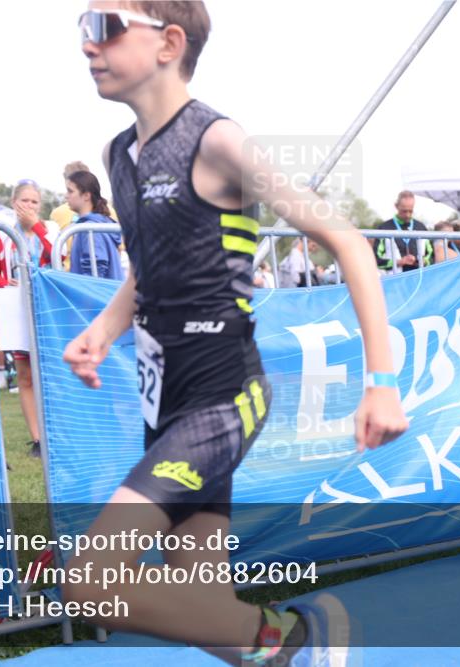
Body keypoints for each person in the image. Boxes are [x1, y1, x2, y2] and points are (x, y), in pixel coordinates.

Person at [61, 3, 408, 665]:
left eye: (102, 26)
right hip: (162, 401)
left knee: (91, 580)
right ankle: (282, 648)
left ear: (168, 43)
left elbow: (347, 242)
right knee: (210, 613)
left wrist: (382, 383)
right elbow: (149, 264)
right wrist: (103, 330)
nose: (86, 46)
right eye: (81, 28)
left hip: (223, 397)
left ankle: (302, 632)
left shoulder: (217, 140)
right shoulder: (118, 155)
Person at [0, 180, 60, 458]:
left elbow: (58, 256)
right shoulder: (3, 234)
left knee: (51, 375)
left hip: (46, 311)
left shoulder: (50, 230)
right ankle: (37, 439)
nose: (29, 207)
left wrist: (38, 226)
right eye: (24, 201)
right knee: (26, 376)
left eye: (34, 202)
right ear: (13, 202)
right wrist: (6, 281)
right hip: (17, 311)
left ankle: (57, 434)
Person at [66, 169, 125, 279]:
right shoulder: (94, 225)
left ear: (86, 195)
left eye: (70, 191)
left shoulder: (91, 230)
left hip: (99, 295)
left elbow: (95, 276)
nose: (66, 196)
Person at [373, 191, 434, 272]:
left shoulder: (421, 227)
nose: (408, 215)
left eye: (410, 211)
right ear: (396, 206)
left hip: (418, 279)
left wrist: (424, 261)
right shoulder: (384, 228)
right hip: (395, 280)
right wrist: (398, 262)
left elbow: (431, 255)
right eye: (404, 211)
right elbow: (375, 259)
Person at [51, 161, 93, 268]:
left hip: (69, 277)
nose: (66, 195)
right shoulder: (109, 211)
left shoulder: (58, 213)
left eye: (70, 191)